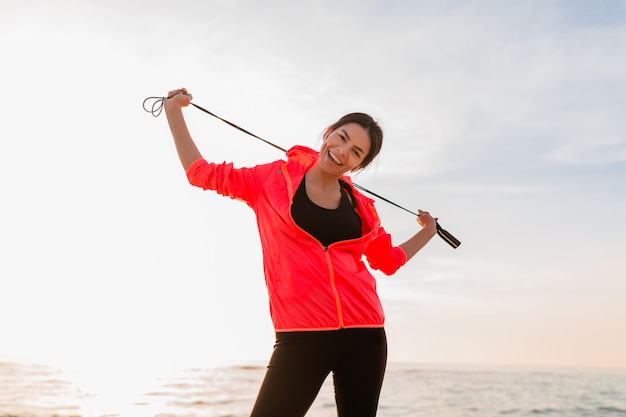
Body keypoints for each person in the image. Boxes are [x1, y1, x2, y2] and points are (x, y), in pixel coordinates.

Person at [163, 87, 438, 417]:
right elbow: (200, 173)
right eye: (341, 137)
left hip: (366, 337)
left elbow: (389, 261)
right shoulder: (271, 180)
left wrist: (428, 233)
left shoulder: (364, 209)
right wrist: (173, 112)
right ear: (328, 132)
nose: (342, 151)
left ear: (359, 164)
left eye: (356, 152)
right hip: (300, 336)